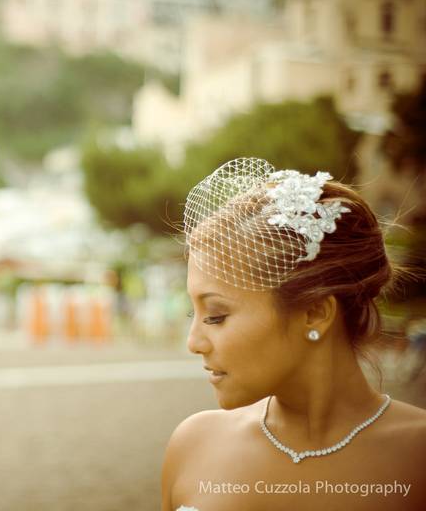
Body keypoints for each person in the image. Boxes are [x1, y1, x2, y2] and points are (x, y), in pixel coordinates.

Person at [161, 158, 426, 511]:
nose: (193, 343)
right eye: (195, 312)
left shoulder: (416, 456)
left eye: (217, 316)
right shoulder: (192, 446)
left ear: (315, 313)